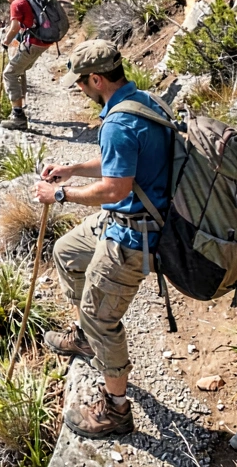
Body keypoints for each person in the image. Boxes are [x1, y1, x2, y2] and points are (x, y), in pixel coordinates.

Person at [32, 40, 173, 438]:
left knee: (101, 316)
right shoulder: (143, 101)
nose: (80, 89)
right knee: (67, 252)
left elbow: (115, 188)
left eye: (81, 83)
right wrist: (74, 168)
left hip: (134, 233)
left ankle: (116, 410)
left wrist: (58, 194)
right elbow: (121, 165)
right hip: (132, 216)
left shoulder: (117, 124)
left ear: (96, 79)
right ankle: (84, 338)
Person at [0, 0, 52, 130]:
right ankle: (21, 105)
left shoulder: (16, 3)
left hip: (34, 43)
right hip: (43, 41)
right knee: (20, 70)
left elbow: (15, 27)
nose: (6, 0)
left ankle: (18, 117)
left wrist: (6, 41)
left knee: (9, 74)